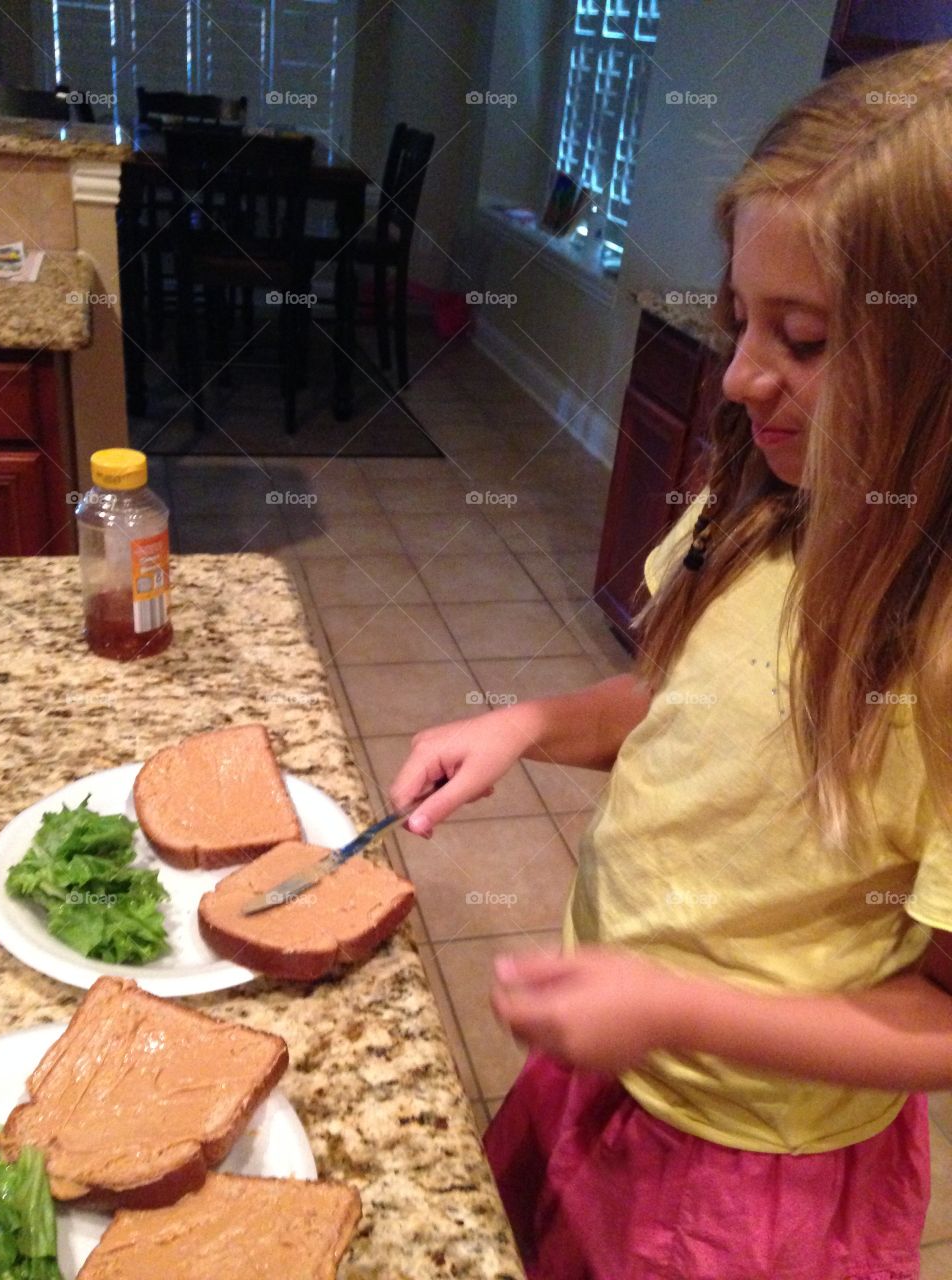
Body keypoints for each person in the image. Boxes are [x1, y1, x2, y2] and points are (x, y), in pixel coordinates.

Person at [388, 41, 952, 1280]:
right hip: (614, 1072)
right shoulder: (760, 505)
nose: (742, 374)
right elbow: (679, 702)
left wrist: (679, 1011)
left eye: (803, 340)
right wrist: (529, 723)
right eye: (741, 317)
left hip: (757, 1163)